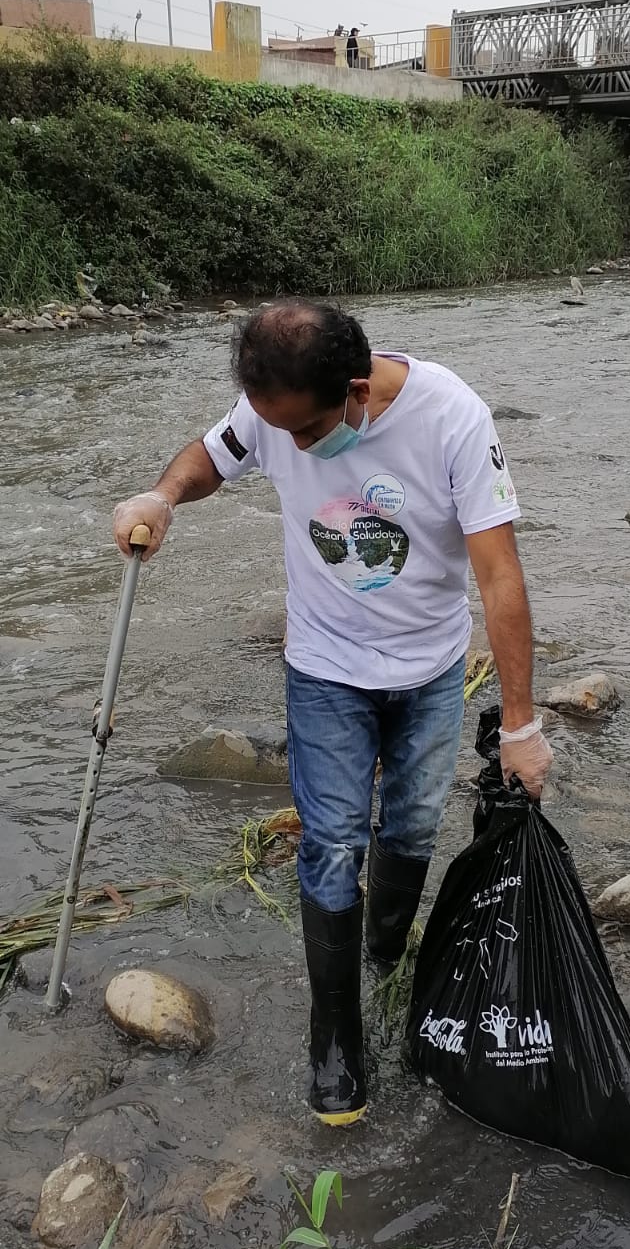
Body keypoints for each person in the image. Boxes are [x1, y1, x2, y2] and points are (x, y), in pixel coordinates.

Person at [112, 300, 553, 1128]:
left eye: (307, 431)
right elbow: (212, 455)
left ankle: (384, 950)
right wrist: (165, 495)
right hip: (324, 670)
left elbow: (499, 577)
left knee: (414, 828)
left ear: (355, 390)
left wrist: (522, 724)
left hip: (427, 669)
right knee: (331, 844)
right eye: (279, 430)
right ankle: (335, 1038)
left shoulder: (451, 416)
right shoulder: (273, 406)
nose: (293, 445)